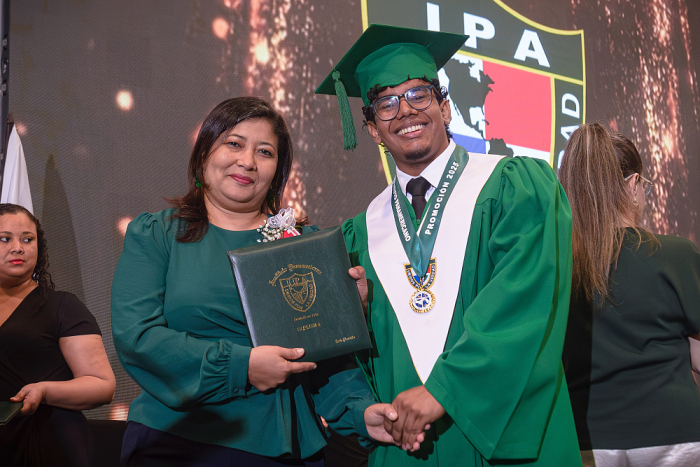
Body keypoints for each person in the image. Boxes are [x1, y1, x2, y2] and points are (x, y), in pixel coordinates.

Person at [315, 24, 581, 466]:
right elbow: (346, 354)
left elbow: (524, 301)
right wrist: (354, 321)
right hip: (406, 443)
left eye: (418, 95)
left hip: (502, 437)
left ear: (445, 107)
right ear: (373, 131)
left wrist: (444, 389)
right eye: (386, 104)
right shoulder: (358, 235)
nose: (405, 110)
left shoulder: (513, 188)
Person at [111, 97, 399, 467]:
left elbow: (327, 361)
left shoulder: (303, 245)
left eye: (265, 152)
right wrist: (242, 366)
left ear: (277, 171)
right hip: (178, 442)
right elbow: (137, 337)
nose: (248, 161)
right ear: (203, 154)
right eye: (234, 144)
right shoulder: (158, 234)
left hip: (283, 449)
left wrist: (361, 411)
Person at [559, 123, 700, 467]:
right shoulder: (677, 255)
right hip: (675, 435)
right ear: (633, 184)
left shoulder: (554, 265)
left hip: (586, 440)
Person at [0, 203, 116, 466]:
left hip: (48, 446)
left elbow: (102, 385)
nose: (18, 247)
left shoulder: (62, 306)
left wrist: (44, 390)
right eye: (5, 239)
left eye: (27, 239)